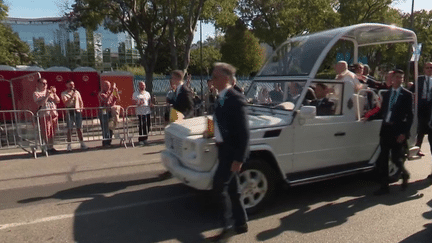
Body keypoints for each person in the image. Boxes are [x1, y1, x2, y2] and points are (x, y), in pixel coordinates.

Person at [209, 62, 249, 241]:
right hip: (222, 149)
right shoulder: (221, 97)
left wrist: (239, 158)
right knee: (233, 188)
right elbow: (222, 122)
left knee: (219, 186)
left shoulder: (235, 98)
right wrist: (212, 132)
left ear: (225, 78)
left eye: (215, 77)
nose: (212, 80)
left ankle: (226, 226)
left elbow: (244, 132)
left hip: (231, 152)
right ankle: (241, 223)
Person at [368, 69, 413, 195]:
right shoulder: (387, 94)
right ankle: (384, 187)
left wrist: (404, 133)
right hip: (386, 129)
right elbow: (382, 110)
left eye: (401, 77)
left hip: (398, 130)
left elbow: (410, 116)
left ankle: (405, 174)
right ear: (392, 79)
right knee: (383, 159)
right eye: (396, 77)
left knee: (396, 158)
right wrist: (369, 117)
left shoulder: (407, 95)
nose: (399, 79)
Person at [410, 62, 432, 161]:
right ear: (424, 69)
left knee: (425, 129)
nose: (429, 69)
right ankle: (414, 146)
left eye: (431, 68)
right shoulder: (419, 79)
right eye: (427, 68)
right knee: (418, 128)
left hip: (430, 107)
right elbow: (411, 90)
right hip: (420, 106)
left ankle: (418, 147)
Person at [33, 78, 60, 154]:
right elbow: (41, 104)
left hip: (53, 113)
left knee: (52, 131)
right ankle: (47, 147)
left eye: (46, 83)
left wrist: (54, 94)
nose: (45, 85)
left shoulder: (49, 92)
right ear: (38, 84)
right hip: (44, 114)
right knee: (46, 132)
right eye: (43, 83)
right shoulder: (36, 93)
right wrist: (47, 96)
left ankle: (51, 146)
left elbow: (58, 101)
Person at [61, 80, 88, 151]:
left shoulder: (77, 92)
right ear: (67, 85)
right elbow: (65, 103)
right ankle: (69, 144)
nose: (72, 86)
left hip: (77, 111)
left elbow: (80, 101)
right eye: (70, 84)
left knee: (79, 128)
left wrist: (81, 108)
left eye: (73, 84)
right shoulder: (64, 93)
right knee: (70, 129)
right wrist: (71, 96)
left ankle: (82, 143)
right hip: (70, 111)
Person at [98, 80, 119, 147]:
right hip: (103, 110)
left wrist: (116, 92)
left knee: (111, 126)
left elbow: (117, 99)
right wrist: (112, 92)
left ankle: (109, 141)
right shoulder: (101, 94)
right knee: (105, 127)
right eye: (106, 86)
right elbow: (106, 101)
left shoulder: (112, 92)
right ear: (103, 86)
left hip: (111, 110)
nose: (108, 87)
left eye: (109, 86)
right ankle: (105, 142)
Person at [132, 81, 152, 146]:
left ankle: (145, 138)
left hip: (147, 112)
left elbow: (149, 102)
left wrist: (151, 104)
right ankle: (140, 139)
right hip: (140, 112)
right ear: (139, 86)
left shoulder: (147, 93)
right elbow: (133, 102)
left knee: (148, 125)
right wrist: (138, 103)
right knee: (142, 125)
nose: (142, 86)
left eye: (143, 85)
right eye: (141, 85)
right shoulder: (135, 94)